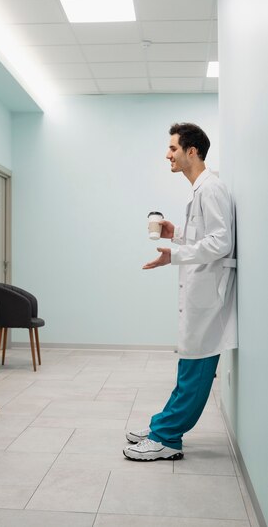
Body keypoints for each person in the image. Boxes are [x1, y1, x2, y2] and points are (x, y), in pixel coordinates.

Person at [123, 123, 237, 461]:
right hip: (200, 293)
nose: (167, 155)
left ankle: (168, 438)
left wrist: (174, 255)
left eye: (173, 148)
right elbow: (205, 237)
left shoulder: (211, 188)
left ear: (192, 151)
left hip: (210, 297)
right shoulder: (200, 191)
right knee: (187, 369)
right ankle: (163, 425)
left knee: (195, 372)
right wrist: (177, 235)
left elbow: (221, 242)